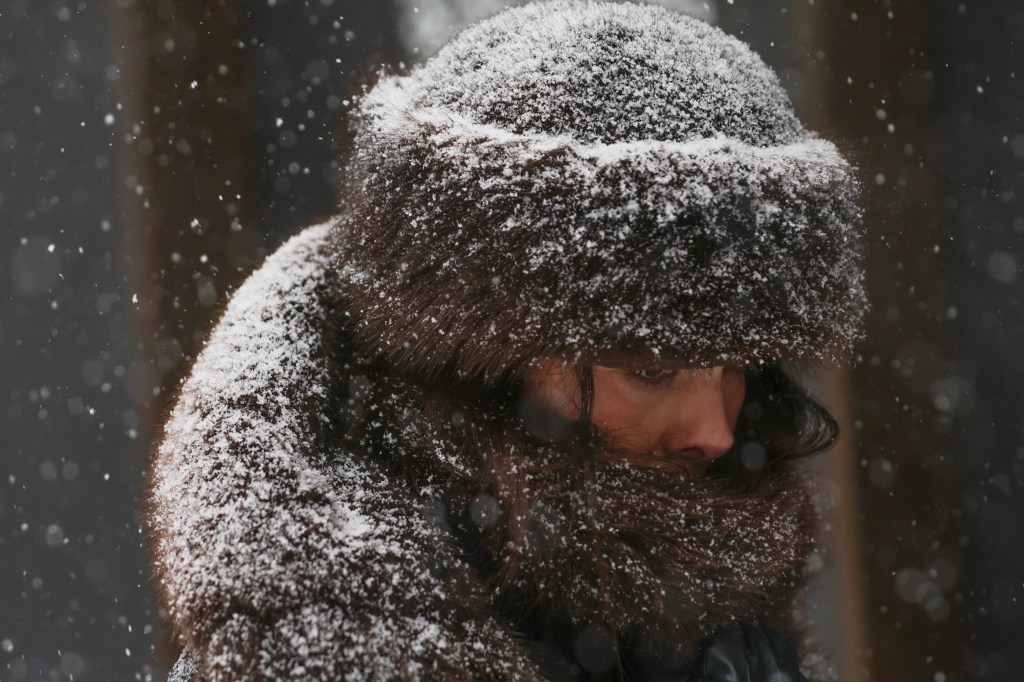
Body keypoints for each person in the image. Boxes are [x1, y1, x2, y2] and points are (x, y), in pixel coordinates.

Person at [149, 1, 866, 680]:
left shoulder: (722, 619)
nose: (716, 430)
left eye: (739, 367)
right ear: (484, 360)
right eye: (651, 370)